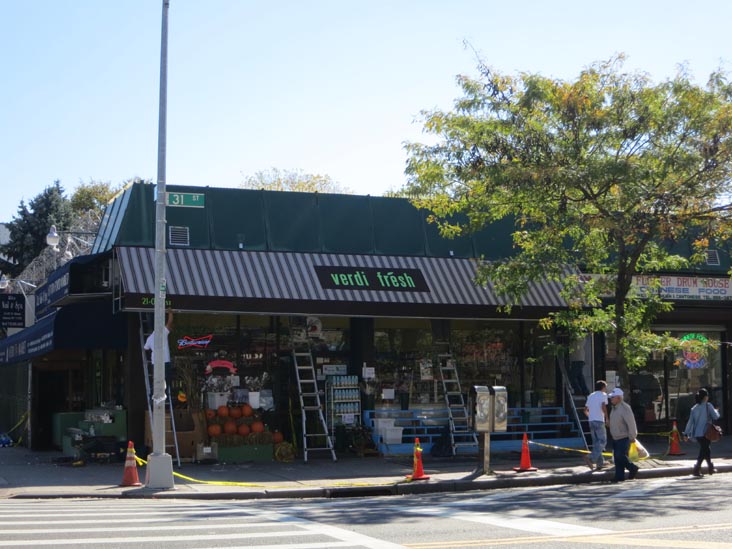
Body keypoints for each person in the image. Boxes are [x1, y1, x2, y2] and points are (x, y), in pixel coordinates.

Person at [683, 388, 720, 476]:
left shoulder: (694, 408)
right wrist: (716, 411)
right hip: (707, 432)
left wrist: (686, 434)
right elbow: (716, 417)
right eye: (707, 395)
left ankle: (709, 467)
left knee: (706, 449)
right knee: (705, 450)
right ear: (705, 397)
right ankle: (698, 468)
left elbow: (690, 422)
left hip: (697, 434)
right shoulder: (708, 405)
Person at [607, 387, 639, 482]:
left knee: (619, 455)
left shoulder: (625, 408)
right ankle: (619, 476)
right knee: (617, 459)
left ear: (619, 398)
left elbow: (631, 423)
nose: (611, 399)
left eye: (613, 397)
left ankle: (632, 467)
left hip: (624, 437)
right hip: (616, 437)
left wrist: (632, 436)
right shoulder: (614, 408)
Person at [143, 311, 174, 389]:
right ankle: (164, 393)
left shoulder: (150, 338)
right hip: (165, 361)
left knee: (157, 382)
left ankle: (154, 395)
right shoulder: (163, 332)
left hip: (155, 362)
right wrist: (170, 312)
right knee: (166, 382)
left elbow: (145, 348)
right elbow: (170, 322)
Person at [583, 380, 608, 470]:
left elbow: (585, 410)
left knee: (596, 442)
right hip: (599, 420)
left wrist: (590, 416)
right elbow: (603, 406)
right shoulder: (603, 395)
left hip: (591, 420)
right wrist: (607, 418)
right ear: (603, 387)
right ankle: (591, 457)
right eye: (605, 387)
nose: (606, 389)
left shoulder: (591, 395)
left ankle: (600, 463)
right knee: (602, 441)